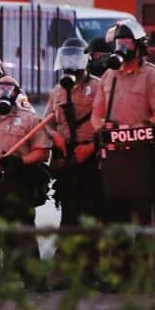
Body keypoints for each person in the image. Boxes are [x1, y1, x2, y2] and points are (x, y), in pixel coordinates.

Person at [0, 77, 52, 288]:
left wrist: (20, 161)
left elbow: (42, 152)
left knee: (22, 233)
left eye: (9, 89)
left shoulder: (30, 119)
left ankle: (33, 279)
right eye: (0, 88)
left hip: (17, 183)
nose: (4, 92)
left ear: (16, 93)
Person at [91, 20, 155, 226]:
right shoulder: (109, 76)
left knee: (142, 217)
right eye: (119, 44)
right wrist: (102, 127)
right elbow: (96, 114)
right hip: (112, 159)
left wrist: (131, 130)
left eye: (127, 43)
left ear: (140, 46)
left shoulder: (152, 76)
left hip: (141, 157)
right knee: (116, 219)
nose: (122, 48)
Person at [46, 38, 103, 229]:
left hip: (92, 157)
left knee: (92, 213)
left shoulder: (99, 86)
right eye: (66, 58)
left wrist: (93, 147)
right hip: (67, 157)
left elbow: (110, 122)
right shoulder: (58, 90)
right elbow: (47, 122)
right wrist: (55, 136)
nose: (70, 63)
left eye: (75, 58)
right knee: (68, 213)